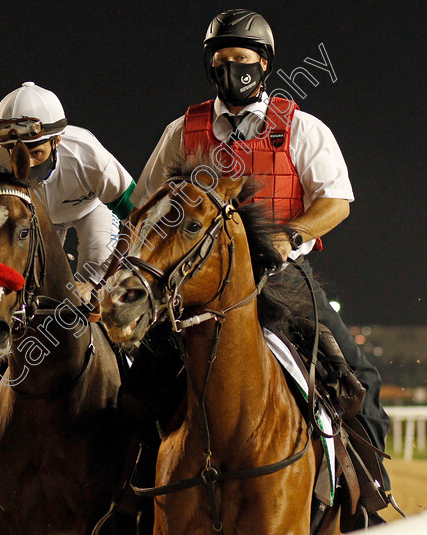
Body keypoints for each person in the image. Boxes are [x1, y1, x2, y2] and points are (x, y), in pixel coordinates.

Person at [129, 7, 391, 522]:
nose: (233, 69)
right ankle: (128, 500)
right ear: (212, 67)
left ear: (265, 64)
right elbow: (147, 201)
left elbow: (337, 199)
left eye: (243, 59)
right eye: (223, 60)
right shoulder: (183, 131)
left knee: (355, 375)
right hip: (197, 284)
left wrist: (294, 234)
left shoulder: (302, 128)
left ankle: (367, 496)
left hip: (282, 277)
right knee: (137, 385)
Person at [0, 82, 136, 295]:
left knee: (92, 288)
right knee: (36, 289)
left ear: (57, 140)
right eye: (16, 153)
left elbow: (139, 218)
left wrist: (97, 283)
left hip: (92, 209)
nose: (28, 165)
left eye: (36, 152)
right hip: (41, 218)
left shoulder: (90, 157)